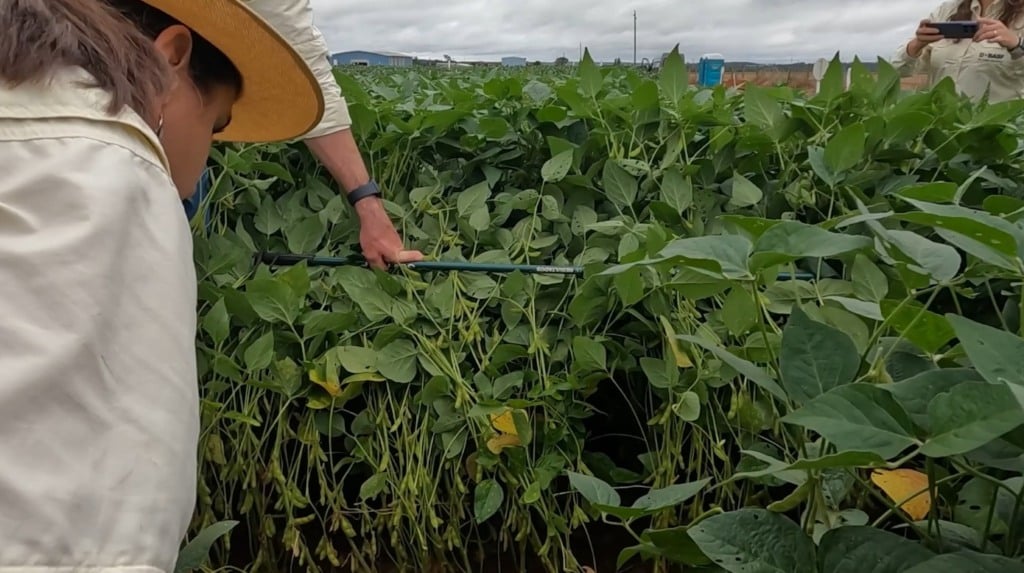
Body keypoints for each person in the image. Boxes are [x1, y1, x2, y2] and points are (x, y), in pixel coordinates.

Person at [0, 1, 324, 571]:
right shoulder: (117, 173)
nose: (201, 169)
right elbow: (108, 527)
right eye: (216, 124)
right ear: (171, 55)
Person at [185, 0, 424, 270]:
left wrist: (369, 208)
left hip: (175, 135)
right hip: (166, 125)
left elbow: (311, 78)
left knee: (180, 266)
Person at [892, 0, 1024, 102]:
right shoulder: (945, 11)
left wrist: (1017, 46)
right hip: (943, 131)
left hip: (997, 132)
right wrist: (917, 44)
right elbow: (897, 71)